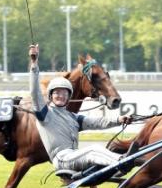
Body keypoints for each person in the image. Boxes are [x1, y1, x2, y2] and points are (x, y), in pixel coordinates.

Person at [28, 44, 131, 173]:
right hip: (62, 159)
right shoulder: (45, 114)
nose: (61, 96)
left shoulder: (72, 117)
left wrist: (119, 119)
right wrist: (34, 63)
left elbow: (97, 122)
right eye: (57, 93)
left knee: (94, 152)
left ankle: (119, 165)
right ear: (50, 95)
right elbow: (35, 92)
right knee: (93, 149)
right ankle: (122, 161)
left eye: (65, 93)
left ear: (69, 96)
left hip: (74, 157)